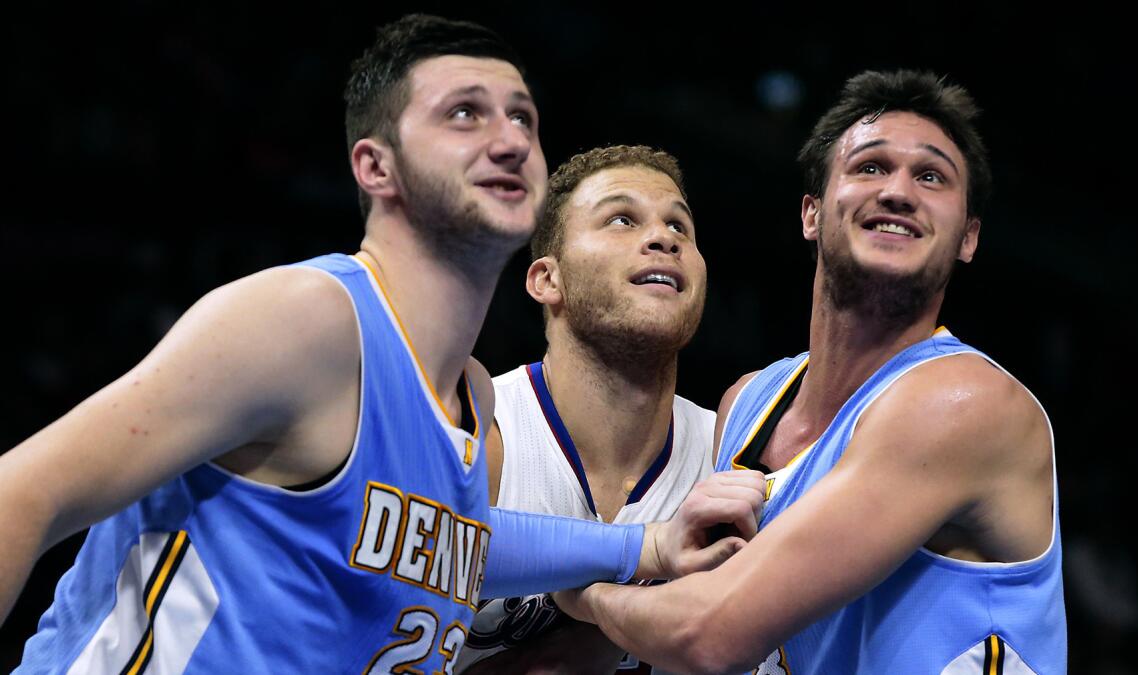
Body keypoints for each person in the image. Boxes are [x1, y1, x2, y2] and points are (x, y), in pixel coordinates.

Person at [0, 16, 761, 673]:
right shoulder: (310, 320)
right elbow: (25, 491)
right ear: (376, 167)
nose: (507, 139)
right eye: (464, 115)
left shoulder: (470, 392)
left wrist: (647, 548)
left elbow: (446, 540)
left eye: (522, 119)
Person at [555, 70, 1067, 674]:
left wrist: (581, 594)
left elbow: (706, 633)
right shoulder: (747, 403)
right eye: (870, 167)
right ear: (812, 214)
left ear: (969, 238)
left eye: (930, 177)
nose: (898, 192)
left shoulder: (965, 403)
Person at [460, 145, 713, 674]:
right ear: (546, 279)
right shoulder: (479, 435)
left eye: (680, 227)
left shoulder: (730, 453)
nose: (664, 237)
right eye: (622, 219)